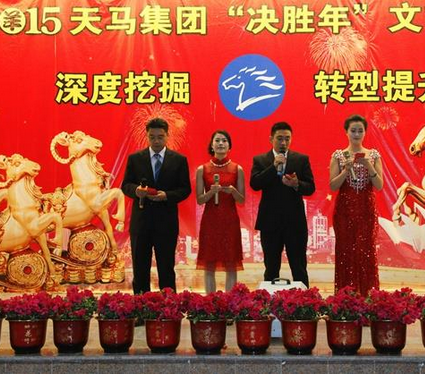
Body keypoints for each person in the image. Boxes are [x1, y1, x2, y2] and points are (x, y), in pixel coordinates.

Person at [121, 118, 191, 294]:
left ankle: (168, 306)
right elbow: (126, 185)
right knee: (140, 268)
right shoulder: (135, 159)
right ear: (147, 136)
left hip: (166, 222)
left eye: (160, 137)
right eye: (152, 137)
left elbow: (185, 189)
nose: (156, 141)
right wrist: (136, 191)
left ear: (167, 136)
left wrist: (167, 196)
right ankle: (140, 305)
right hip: (141, 222)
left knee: (166, 268)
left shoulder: (179, 160)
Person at [250, 121, 315, 288]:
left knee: (299, 267)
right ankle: (268, 302)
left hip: (295, 222)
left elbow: (311, 188)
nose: (283, 143)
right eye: (279, 138)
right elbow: (255, 184)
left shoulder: (301, 159)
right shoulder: (261, 160)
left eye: (287, 138)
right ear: (271, 139)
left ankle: (306, 301)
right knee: (271, 268)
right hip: (270, 222)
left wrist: (296, 184)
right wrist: (273, 167)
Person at [329, 114, 384, 296]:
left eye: (360, 130)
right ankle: (346, 298)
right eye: (353, 130)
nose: (357, 134)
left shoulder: (373, 155)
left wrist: (369, 166)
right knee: (345, 251)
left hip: (366, 210)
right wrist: (346, 169)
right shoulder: (339, 155)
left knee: (366, 251)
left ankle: (368, 296)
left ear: (365, 132)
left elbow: (379, 185)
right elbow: (333, 186)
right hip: (344, 211)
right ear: (346, 132)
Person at [195, 130, 245, 293]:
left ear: (229, 146)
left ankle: (230, 302)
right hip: (210, 221)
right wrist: (211, 192)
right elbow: (200, 200)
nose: (221, 143)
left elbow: (241, 200)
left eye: (224, 140)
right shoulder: (202, 169)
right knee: (209, 265)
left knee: (231, 264)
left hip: (230, 221)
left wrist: (233, 191)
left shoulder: (237, 169)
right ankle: (211, 302)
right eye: (217, 140)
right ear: (212, 145)